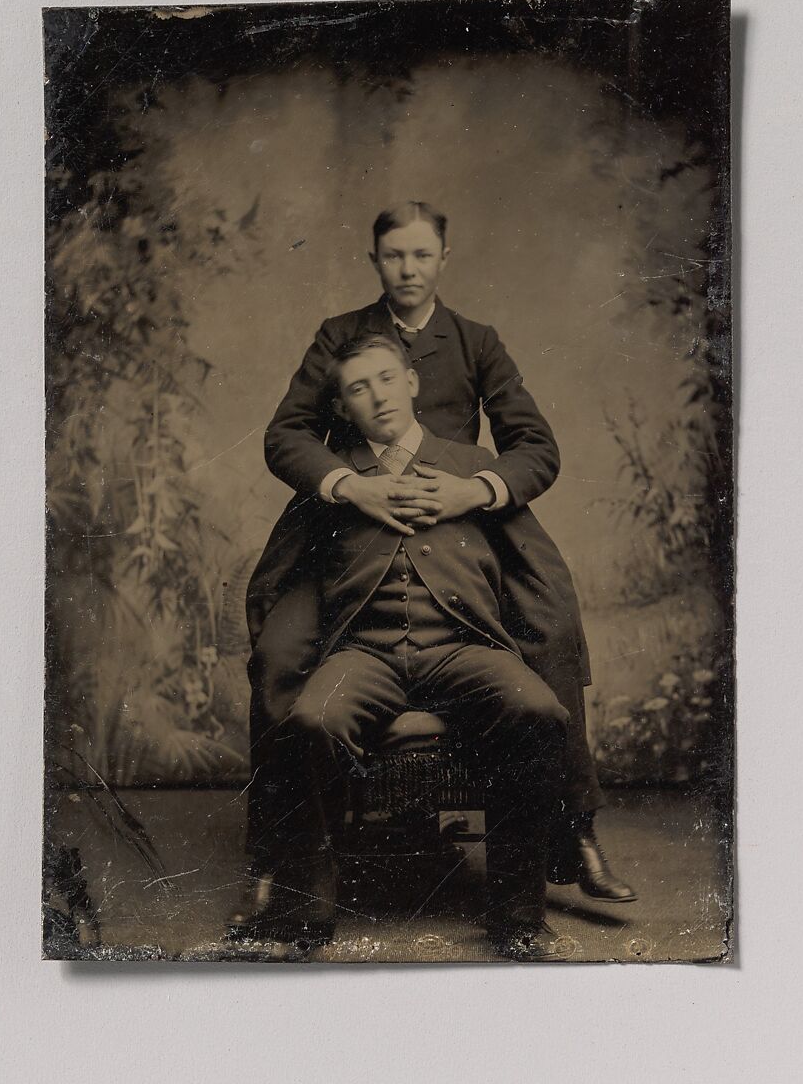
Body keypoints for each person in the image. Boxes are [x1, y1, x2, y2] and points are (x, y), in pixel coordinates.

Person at [242, 201, 635, 919]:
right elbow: (285, 435)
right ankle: (274, 853)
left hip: (460, 519)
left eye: (422, 256)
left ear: (443, 259)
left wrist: (472, 488)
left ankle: (573, 829)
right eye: (395, 256)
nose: (409, 270)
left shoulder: (475, 340)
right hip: (349, 522)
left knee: (548, 624)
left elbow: (536, 447)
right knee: (278, 654)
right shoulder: (342, 337)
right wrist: (349, 483)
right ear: (375, 261)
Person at [232, 335, 575, 961]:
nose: (378, 397)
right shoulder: (333, 483)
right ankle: (302, 920)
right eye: (359, 389)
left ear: (412, 383)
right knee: (313, 718)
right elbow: (282, 580)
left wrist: (476, 491)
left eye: (387, 379)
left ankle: (518, 918)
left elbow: (535, 569)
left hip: (465, 647)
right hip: (364, 653)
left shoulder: (472, 467)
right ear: (341, 406)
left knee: (538, 711)